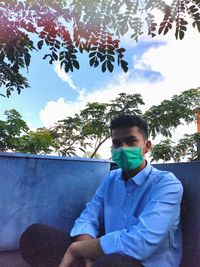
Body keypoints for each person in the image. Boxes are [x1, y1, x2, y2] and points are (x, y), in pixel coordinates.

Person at [20, 115, 183, 267]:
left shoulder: (166, 184)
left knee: (111, 263)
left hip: (141, 263)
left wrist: (76, 249)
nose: (123, 149)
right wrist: (86, 251)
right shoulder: (111, 179)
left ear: (146, 146)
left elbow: (140, 244)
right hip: (103, 255)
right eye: (117, 143)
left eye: (131, 141)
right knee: (36, 236)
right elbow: (89, 217)